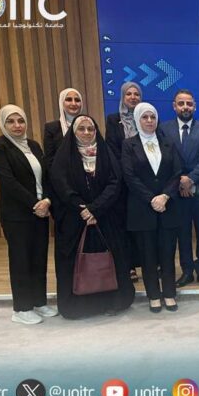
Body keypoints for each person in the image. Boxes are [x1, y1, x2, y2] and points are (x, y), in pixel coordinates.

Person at [50, 115, 135, 318]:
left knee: (112, 260)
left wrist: (95, 208)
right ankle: (80, 307)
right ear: (74, 132)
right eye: (82, 129)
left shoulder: (105, 153)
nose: (87, 133)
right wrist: (82, 208)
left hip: (105, 217)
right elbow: (60, 184)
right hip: (75, 219)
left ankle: (112, 302)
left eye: (91, 129)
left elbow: (115, 182)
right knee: (76, 263)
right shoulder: (64, 156)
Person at [0, 104, 57, 325]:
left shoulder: (33, 145)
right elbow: (7, 181)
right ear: (3, 124)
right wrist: (35, 204)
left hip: (40, 211)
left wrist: (47, 200)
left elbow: (46, 176)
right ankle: (22, 308)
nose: (17, 126)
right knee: (20, 259)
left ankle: (39, 302)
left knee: (38, 258)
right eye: (11, 121)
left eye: (21, 121)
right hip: (16, 214)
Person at [122, 103, 182, 313]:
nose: (149, 121)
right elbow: (129, 176)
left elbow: (177, 172)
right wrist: (152, 199)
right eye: (145, 117)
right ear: (138, 120)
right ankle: (154, 295)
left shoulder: (168, 143)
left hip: (167, 207)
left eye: (152, 117)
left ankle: (169, 293)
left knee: (167, 254)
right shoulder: (129, 145)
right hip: (142, 208)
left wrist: (164, 196)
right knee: (147, 255)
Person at [158, 89, 199, 288]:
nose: (185, 107)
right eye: (181, 103)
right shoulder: (164, 129)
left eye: (189, 104)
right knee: (182, 233)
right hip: (176, 191)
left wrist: (190, 179)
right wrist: (179, 181)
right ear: (174, 106)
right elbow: (164, 159)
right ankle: (187, 271)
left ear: (195, 106)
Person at [105, 81, 143, 282]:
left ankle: (148, 262)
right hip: (123, 183)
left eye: (136, 94)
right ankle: (129, 266)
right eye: (129, 94)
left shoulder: (146, 117)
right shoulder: (113, 120)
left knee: (143, 224)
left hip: (144, 183)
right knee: (125, 225)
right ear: (122, 97)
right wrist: (127, 173)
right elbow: (111, 149)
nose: (133, 97)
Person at [43, 88, 84, 170]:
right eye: (69, 99)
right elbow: (50, 160)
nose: (73, 103)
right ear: (61, 102)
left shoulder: (88, 126)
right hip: (61, 175)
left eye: (77, 100)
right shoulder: (51, 128)